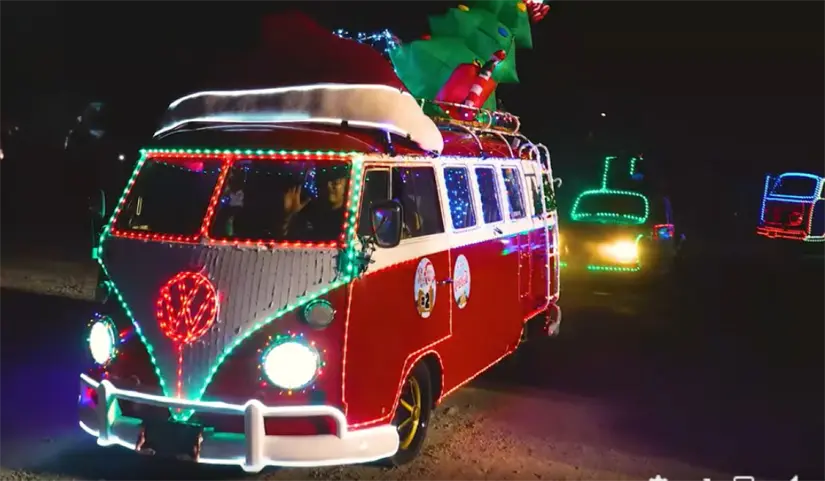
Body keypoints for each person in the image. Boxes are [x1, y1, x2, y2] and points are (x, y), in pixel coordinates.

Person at [281, 168, 349, 241]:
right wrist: (290, 215)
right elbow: (286, 240)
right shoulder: (307, 212)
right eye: (324, 181)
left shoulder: (350, 217)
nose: (328, 186)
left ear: (346, 185)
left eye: (335, 182)